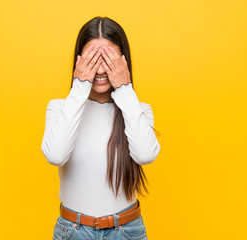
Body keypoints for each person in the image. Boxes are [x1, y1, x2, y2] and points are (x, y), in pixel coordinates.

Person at [41, 16, 161, 240]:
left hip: (126, 231)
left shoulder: (138, 110)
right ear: (79, 62)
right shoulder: (60, 108)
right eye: (92, 59)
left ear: (123, 62)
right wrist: (79, 88)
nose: (100, 69)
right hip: (73, 231)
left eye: (108, 59)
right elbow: (55, 155)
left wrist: (125, 89)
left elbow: (146, 155)